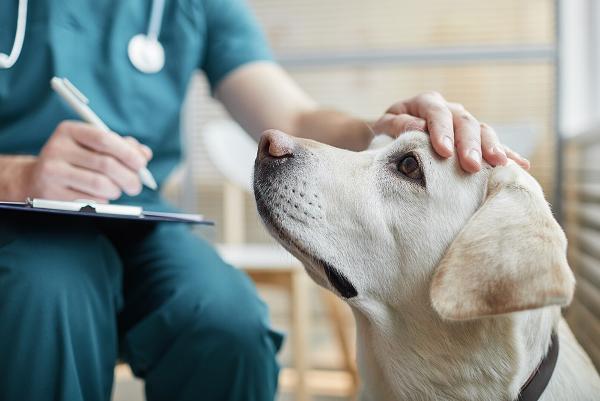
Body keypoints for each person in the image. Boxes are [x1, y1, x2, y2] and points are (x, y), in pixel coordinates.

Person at [0, 1, 529, 401]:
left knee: (229, 323)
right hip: (14, 223)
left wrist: (380, 128)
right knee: (47, 296)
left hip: (141, 220)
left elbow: (294, 119)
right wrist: (18, 174)